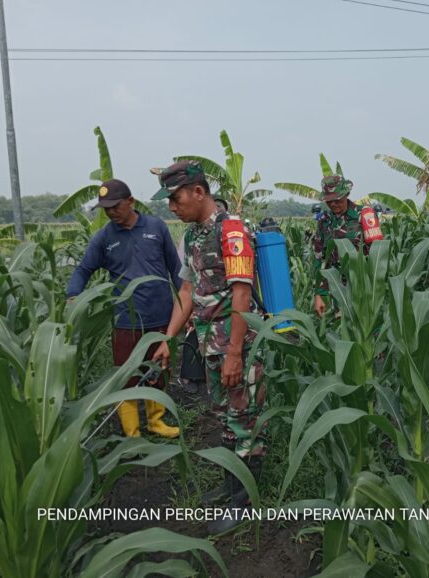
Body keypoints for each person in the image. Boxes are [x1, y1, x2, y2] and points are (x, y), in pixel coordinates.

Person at [149, 160, 265, 534]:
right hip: (208, 345)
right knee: (224, 419)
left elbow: (242, 292)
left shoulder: (232, 230)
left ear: (199, 192)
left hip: (238, 346)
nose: (172, 206)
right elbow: (186, 290)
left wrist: (234, 353)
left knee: (244, 421)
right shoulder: (193, 236)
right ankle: (233, 485)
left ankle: (246, 503)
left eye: (176, 198)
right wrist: (168, 338)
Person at [66, 179, 182, 438]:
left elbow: (175, 268)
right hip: (125, 320)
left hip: (161, 315)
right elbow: (84, 269)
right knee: (126, 374)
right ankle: (132, 432)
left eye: (115, 206)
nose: (111, 213)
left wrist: (186, 305)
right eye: (106, 209)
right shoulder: (104, 237)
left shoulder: (156, 227)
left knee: (158, 369)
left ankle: (156, 421)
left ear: (130, 202)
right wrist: (73, 295)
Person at [312, 175, 383, 317]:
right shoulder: (324, 221)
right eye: (329, 201)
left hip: (364, 290)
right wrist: (318, 295)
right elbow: (319, 259)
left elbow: (379, 253)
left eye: (337, 199)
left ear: (347, 194)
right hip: (338, 291)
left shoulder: (364, 215)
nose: (333, 204)